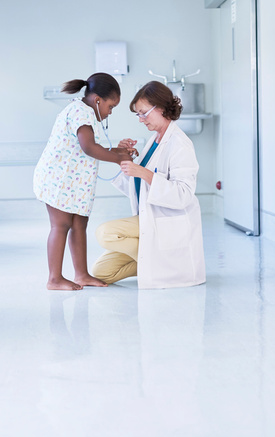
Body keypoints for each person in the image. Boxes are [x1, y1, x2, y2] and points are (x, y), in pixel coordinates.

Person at [92, 81, 206, 289]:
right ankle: (154, 262)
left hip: (168, 222)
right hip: (148, 218)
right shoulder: (155, 140)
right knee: (101, 273)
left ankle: (161, 262)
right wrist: (122, 157)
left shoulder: (180, 144)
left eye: (144, 113)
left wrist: (144, 173)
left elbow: (184, 195)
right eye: (138, 114)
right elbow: (137, 187)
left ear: (161, 108)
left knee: (105, 233)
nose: (141, 120)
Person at [33, 73, 131, 291]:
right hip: (58, 180)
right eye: (111, 106)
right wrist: (118, 159)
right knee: (61, 225)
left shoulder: (86, 114)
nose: (110, 112)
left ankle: (81, 275)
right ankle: (54, 278)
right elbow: (89, 148)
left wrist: (121, 152)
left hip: (73, 184)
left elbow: (90, 148)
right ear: (98, 100)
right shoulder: (79, 111)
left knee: (79, 225)